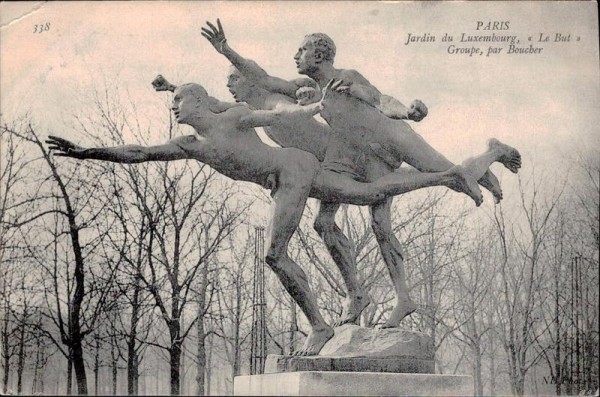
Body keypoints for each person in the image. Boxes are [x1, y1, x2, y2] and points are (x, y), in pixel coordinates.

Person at [47, 80, 480, 355]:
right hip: (285, 176)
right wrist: (87, 152)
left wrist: (309, 111)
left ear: (198, 101)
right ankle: (446, 177)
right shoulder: (189, 144)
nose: (174, 106)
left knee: (274, 254)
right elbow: (140, 153)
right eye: (173, 100)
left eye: (179, 99)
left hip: (291, 167)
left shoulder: (232, 118)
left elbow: (273, 114)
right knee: (365, 195)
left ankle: (320, 326)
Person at [201, 19, 522, 328]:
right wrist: (225, 50)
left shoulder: (345, 78)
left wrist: (407, 111)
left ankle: (492, 152)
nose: (295, 57)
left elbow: (380, 99)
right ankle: (382, 297)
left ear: (320, 55)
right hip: (357, 158)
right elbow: (266, 79)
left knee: (454, 177)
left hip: (393, 140)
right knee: (336, 223)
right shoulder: (311, 87)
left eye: (301, 51)